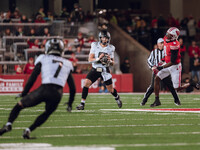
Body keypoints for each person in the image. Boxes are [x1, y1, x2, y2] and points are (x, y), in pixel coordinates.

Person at [0, 38, 76, 139]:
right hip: (57, 93)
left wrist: (24, 92)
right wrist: (70, 103)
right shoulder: (67, 63)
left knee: (19, 105)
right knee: (47, 113)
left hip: (44, 89)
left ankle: (9, 124)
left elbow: (33, 77)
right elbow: (73, 88)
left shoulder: (43, 58)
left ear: (48, 48)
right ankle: (28, 130)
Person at [151, 27, 198, 107]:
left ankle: (191, 83)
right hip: (167, 63)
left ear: (174, 37)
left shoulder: (175, 45)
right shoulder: (165, 38)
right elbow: (166, 53)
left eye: (169, 35)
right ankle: (157, 100)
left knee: (177, 88)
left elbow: (172, 61)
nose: (167, 35)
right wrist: (162, 60)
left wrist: (161, 67)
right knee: (157, 78)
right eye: (167, 33)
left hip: (175, 66)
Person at [76, 31, 122, 110]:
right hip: (96, 68)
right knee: (86, 83)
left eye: (107, 38)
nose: (105, 40)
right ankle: (82, 103)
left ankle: (117, 97)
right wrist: (99, 59)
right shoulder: (94, 45)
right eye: (104, 38)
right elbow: (90, 59)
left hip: (105, 70)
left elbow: (113, 63)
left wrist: (109, 61)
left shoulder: (111, 48)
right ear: (100, 38)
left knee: (110, 89)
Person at [140, 38, 180, 106]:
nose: (162, 44)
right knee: (152, 87)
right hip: (156, 71)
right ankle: (144, 100)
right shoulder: (154, 52)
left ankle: (177, 100)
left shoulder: (166, 51)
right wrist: (152, 67)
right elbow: (149, 61)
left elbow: (170, 60)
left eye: (163, 43)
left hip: (164, 70)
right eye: (161, 43)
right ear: (158, 44)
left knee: (170, 86)